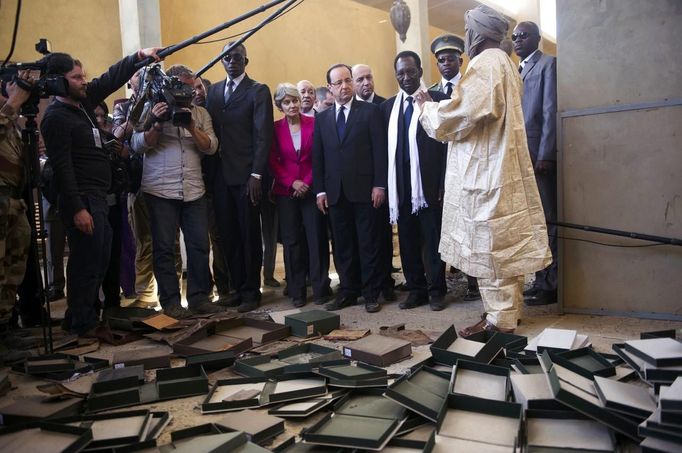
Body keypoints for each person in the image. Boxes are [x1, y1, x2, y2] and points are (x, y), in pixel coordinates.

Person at [415, 4, 551, 335]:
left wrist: (426, 108)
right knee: (504, 247)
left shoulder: (487, 65)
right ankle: (507, 311)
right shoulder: (504, 63)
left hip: (488, 172)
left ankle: (499, 321)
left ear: (476, 33)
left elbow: (459, 115)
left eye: (468, 30)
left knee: (491, 247)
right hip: (499, 165)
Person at [40, 47, 163, 336]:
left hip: (98, 198)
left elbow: (110, 78)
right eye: (77, 76)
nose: (84, 81)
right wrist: (77, 208)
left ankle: (83, 317)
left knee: (99, 260)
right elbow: (62, 168)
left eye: (83, 75)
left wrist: (138, 56)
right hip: (82, 200)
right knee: (86, 264)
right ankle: (82, 321)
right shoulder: (56, 118)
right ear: (59, 82)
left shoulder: (81, 105)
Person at [130, 64, 221, 319]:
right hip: (160, 190)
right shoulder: (151, 107)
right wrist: (157, 124)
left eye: (192, 89)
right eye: (183, 88)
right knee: (164, 248)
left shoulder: (200, 113)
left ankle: (200, 298)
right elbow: (137, 145)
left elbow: (211, 146)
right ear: (171, 85)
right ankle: (170, 302)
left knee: (199, 245)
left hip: (194, 189)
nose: (188, 94)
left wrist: (192, 126)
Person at [313, 64, 387, 313]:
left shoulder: (370, 112)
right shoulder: (322, 119)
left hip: (365, 190)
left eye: (348, 81)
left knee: (368, 243)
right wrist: (320, 190)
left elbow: (380, 152)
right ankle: (348, 290)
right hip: (335, 192)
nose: (344, 86)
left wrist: (379, 184)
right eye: (338, 83)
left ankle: (371, 293)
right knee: (342, 245)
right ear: (330, 88)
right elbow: (319, 157)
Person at [205, 43, 274, 313]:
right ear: (221, 61)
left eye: (237, 57)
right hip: (220, 176)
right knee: (228, 235)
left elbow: (263, 135)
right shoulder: (212, 92)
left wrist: (256, 173)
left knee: (248, 234)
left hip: (247, 176)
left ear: (246, 60)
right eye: (227, 57)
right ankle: (235, 287)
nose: (232, 61)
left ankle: (250, 291)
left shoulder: (257, 91)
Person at [381, 51, 449, 311]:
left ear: (420, 71)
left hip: (429, 184)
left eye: (411, 71)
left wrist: (444, 182)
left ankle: (436, 290)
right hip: (402, 185)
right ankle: (416, 289)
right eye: (401, 73)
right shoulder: (388, 108)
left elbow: (446, 147)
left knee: (432, 239)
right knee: (407, 239)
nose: (406, 77)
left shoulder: (438, 100)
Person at [269, 83, 332, 307]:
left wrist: (306, 182)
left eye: (295, 100)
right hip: (287, 193)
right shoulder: (275, 129)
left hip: (312, 189)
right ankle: (297, 292)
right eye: (287, 102)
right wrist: (291, 182)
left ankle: (321, 288)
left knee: (316, 240)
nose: (292, 105)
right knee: (292, 242)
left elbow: (321, 156)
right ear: (280, 106)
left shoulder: (315, 124)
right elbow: (273, 161)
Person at [429, 33, 481, 301]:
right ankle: (445, 278)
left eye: (450, 58)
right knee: (445, 227)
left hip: (467, 166)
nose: (446, 63)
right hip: (440, 169)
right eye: (441, 60)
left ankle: (474, 281)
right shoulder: (432, 94)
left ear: (460, 60)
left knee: (471, 226)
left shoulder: (470, 88)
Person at [513, 21, 559, 306]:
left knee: (548, 220)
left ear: (537, 39)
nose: (517, 40)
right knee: (533, 223)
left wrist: (545, 154)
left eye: (523, 35)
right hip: (521, 157)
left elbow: (550, 110)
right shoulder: (516, 70)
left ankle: (551, 284)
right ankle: (540, 279)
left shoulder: (547, 65)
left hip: (539, 158)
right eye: (514, 36)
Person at [0, 71, 33, 329]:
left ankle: (7, 327)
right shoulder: (7, 112)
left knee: (12, 273)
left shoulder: (10, 119)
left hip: (13, 201)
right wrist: (12, 105)